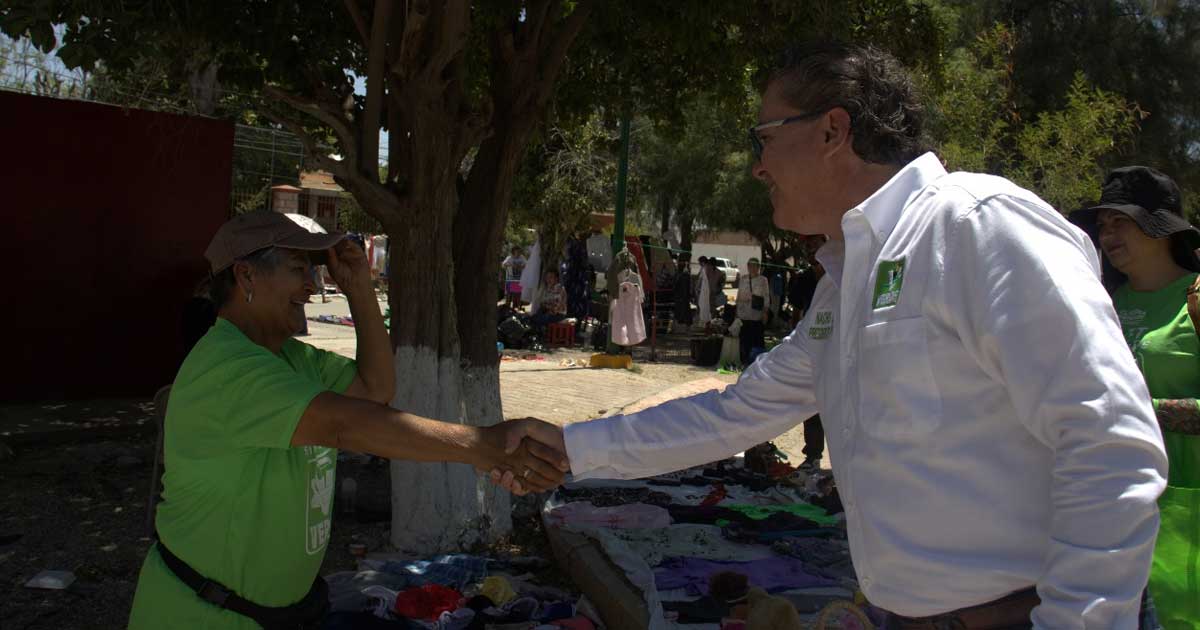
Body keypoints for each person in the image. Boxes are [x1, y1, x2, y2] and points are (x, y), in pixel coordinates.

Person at [495, 42, 1168, 628]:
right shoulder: (847, 278)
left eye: (764, 137)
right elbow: (738, 412)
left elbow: (1109, 439)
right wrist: (571, 445)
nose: (757, 165)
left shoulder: (977, 226)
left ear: (832, 130)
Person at [129, 212, 566, 630]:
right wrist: (482, 444)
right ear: (246, 277)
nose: (312, 285)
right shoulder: (227, 367)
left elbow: (375, 390)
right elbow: (347, 424)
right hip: (205, 617)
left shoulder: (290, 357)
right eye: (299, 268)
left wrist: (358, 289)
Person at [1072, 166, 1200, 627]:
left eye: (1120, 221)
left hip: (1184, 506)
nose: (1107, 235)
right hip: (1108, 502)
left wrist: (1146, 412)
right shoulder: (1098, 301)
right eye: (1103, 225)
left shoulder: (1195, 298)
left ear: (1159, 228)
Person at [734, 258, 771, 365]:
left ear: (759, 267)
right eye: (751, 266)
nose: (753, 268)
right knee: (744, 339)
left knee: (756, 340)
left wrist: (765, 311)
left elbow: (766, 296)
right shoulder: (743, 279)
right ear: (748, 266)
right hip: (743, 314)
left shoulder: (763, 280)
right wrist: (736, 312)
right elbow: (739, 295)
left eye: (755, 266)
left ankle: (756, 363)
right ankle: (744, 360)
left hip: (756, 315)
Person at [501, 246, 526, 310]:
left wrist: (521, 266)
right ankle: (507, 309)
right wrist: (510, 265)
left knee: (517, 295)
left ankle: (515, 309)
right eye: (516, 251)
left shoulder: (522, 258)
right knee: (509, 295)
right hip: (510, 279)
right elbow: (503, 265)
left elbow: (526, 264)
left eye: (519, 251)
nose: (518, 253)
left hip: (518, 279)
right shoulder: (509, 258)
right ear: (513, 252)